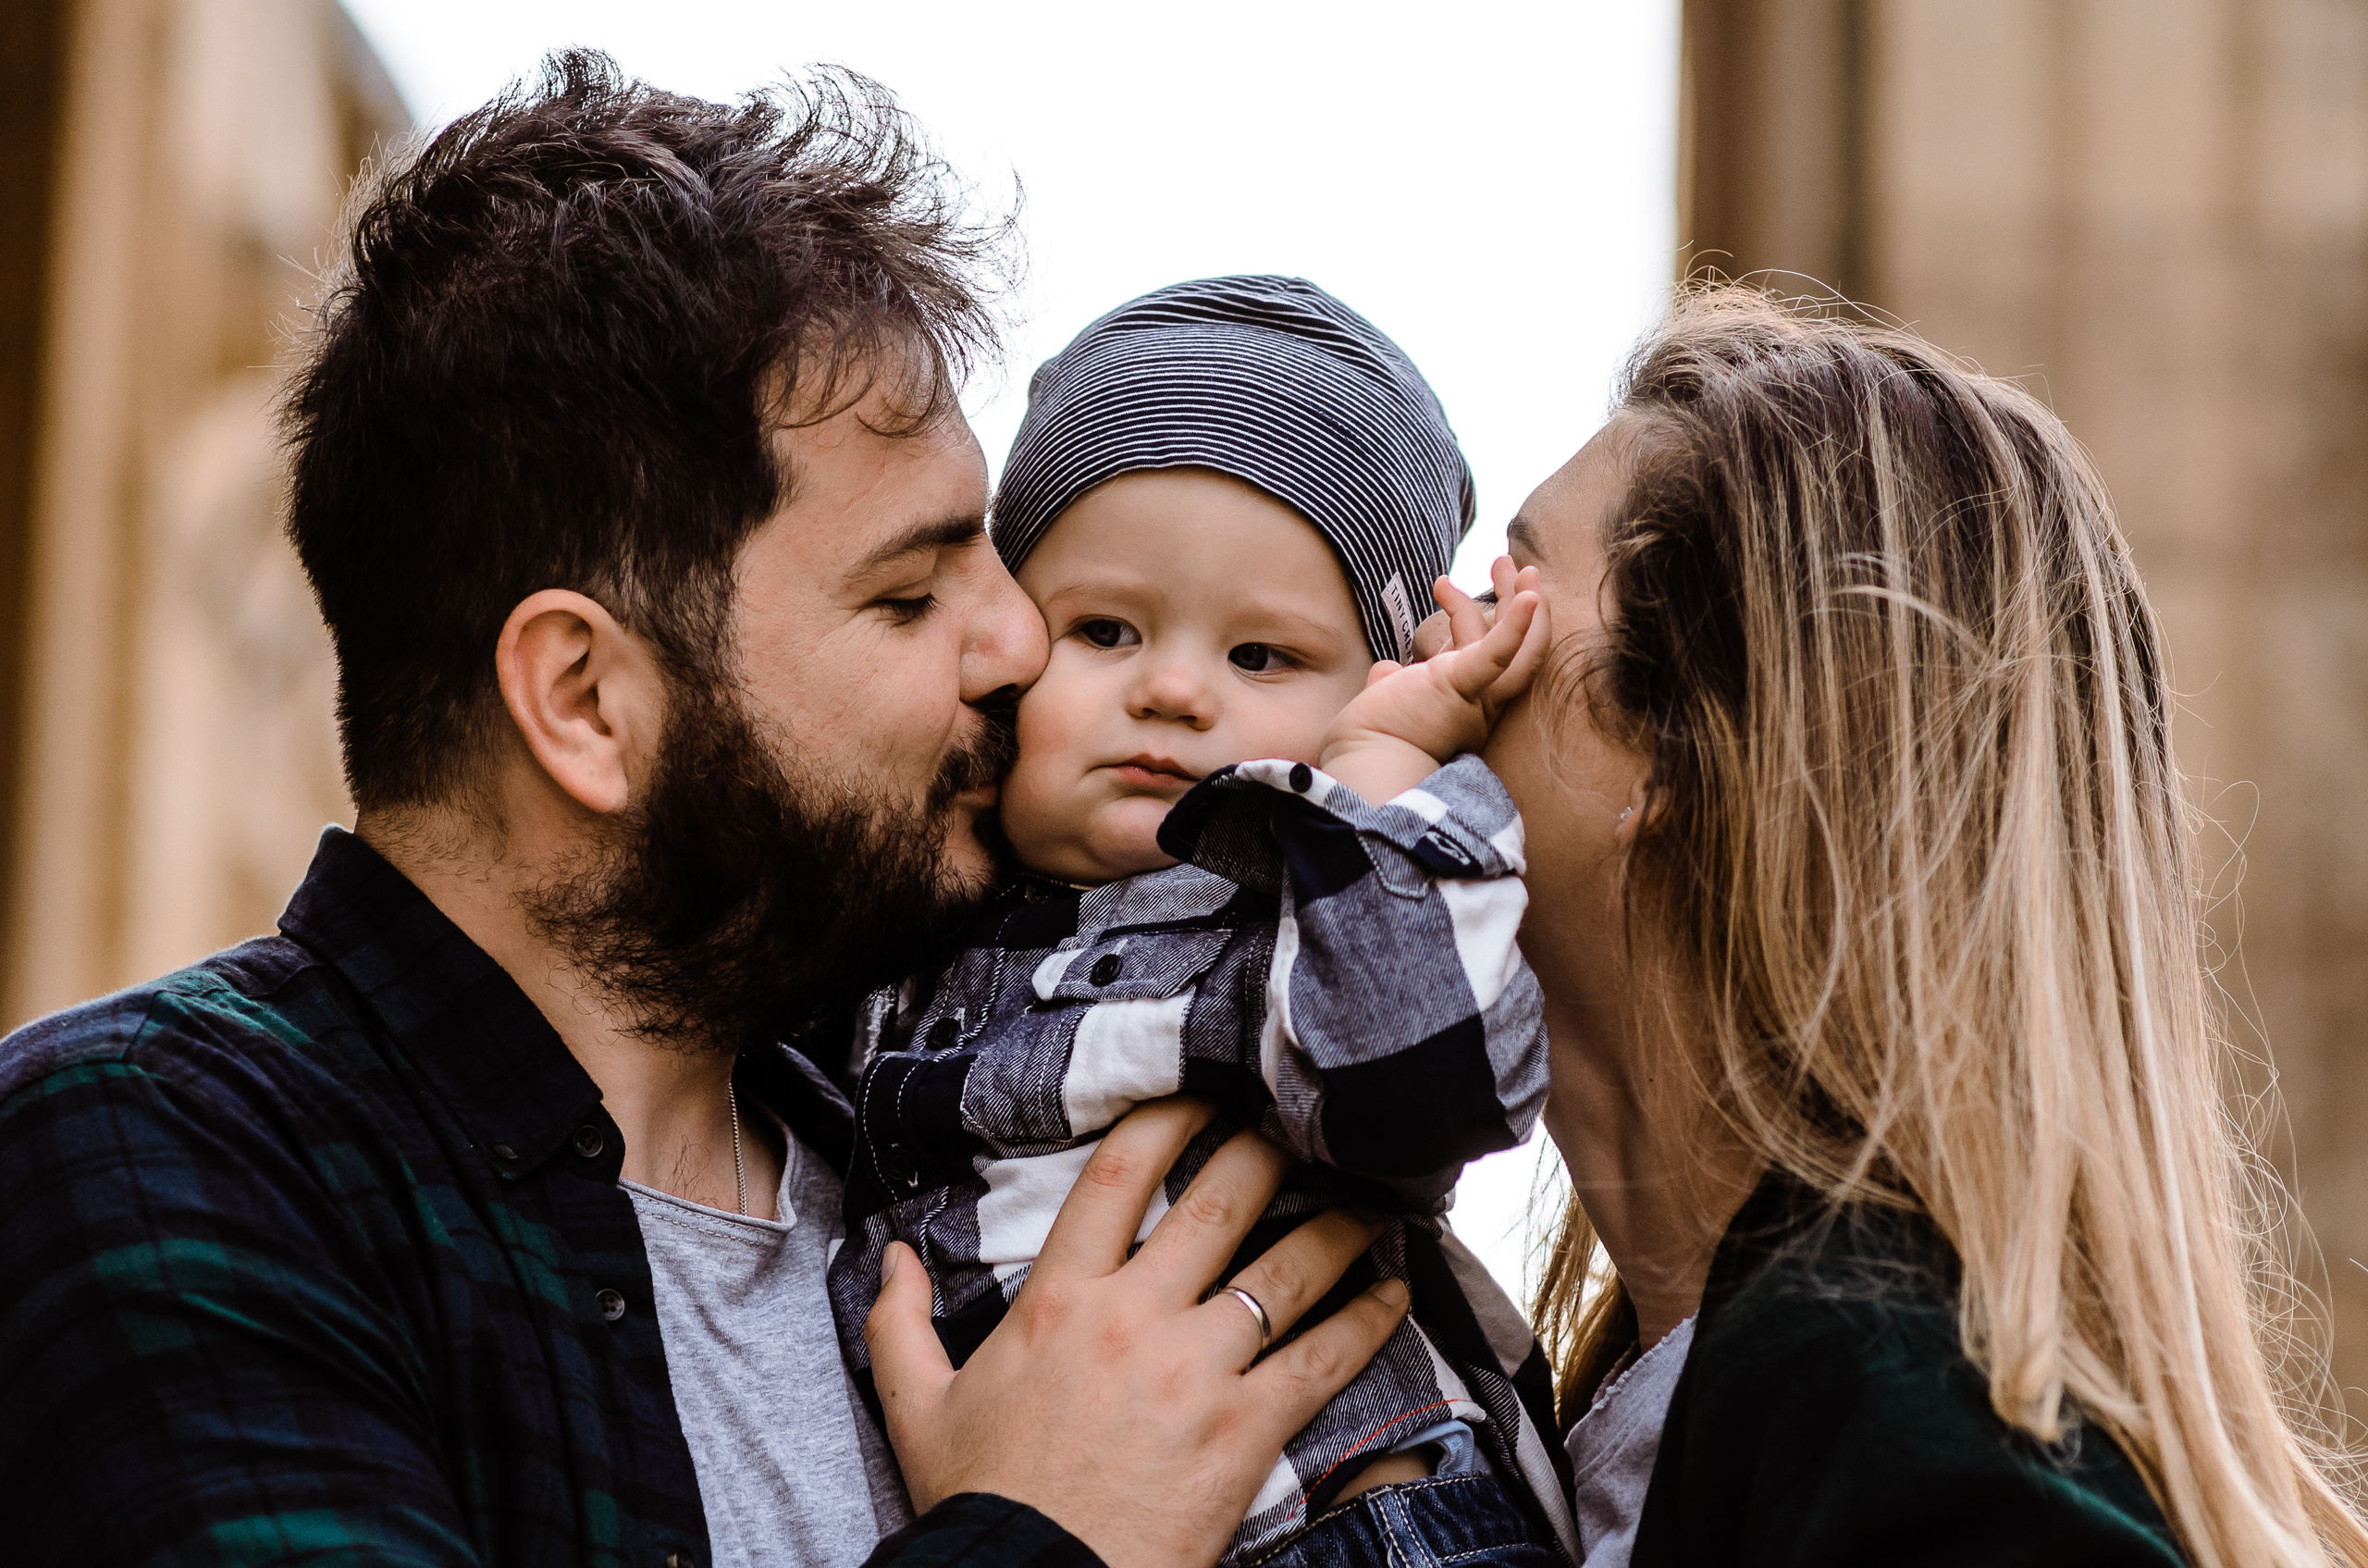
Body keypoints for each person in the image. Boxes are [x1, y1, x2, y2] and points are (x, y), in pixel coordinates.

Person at [0, 54, 1409, 1568]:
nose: (1019, 644)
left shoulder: (948, 1125)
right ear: (589, 703)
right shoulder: (158, 1157)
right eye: (912, 591)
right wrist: (1045, 1534)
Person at [1478, 286, 2368, 1565]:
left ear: (1680, 739)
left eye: (1515, 578)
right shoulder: (1681, 1415)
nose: (1425, 637)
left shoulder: (1928, 1460)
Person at [829, 278, 1576, 1568]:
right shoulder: (899, 919)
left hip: (1364, 1517)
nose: (1172, 690)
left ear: (1378, 686)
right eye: (1105, 630)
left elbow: (1426, 1088)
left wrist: (1380, 779)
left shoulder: (1307, 912)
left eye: (1261, 658)